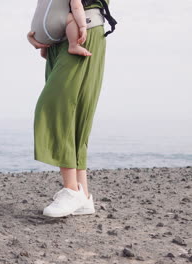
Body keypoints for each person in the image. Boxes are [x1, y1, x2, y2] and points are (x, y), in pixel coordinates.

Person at [27, 0, 114, 217]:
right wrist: (43, 33)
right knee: (72, 112)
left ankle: (71, 190)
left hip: (84, 30)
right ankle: (82, 194)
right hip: (58, 41)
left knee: (56, 107)